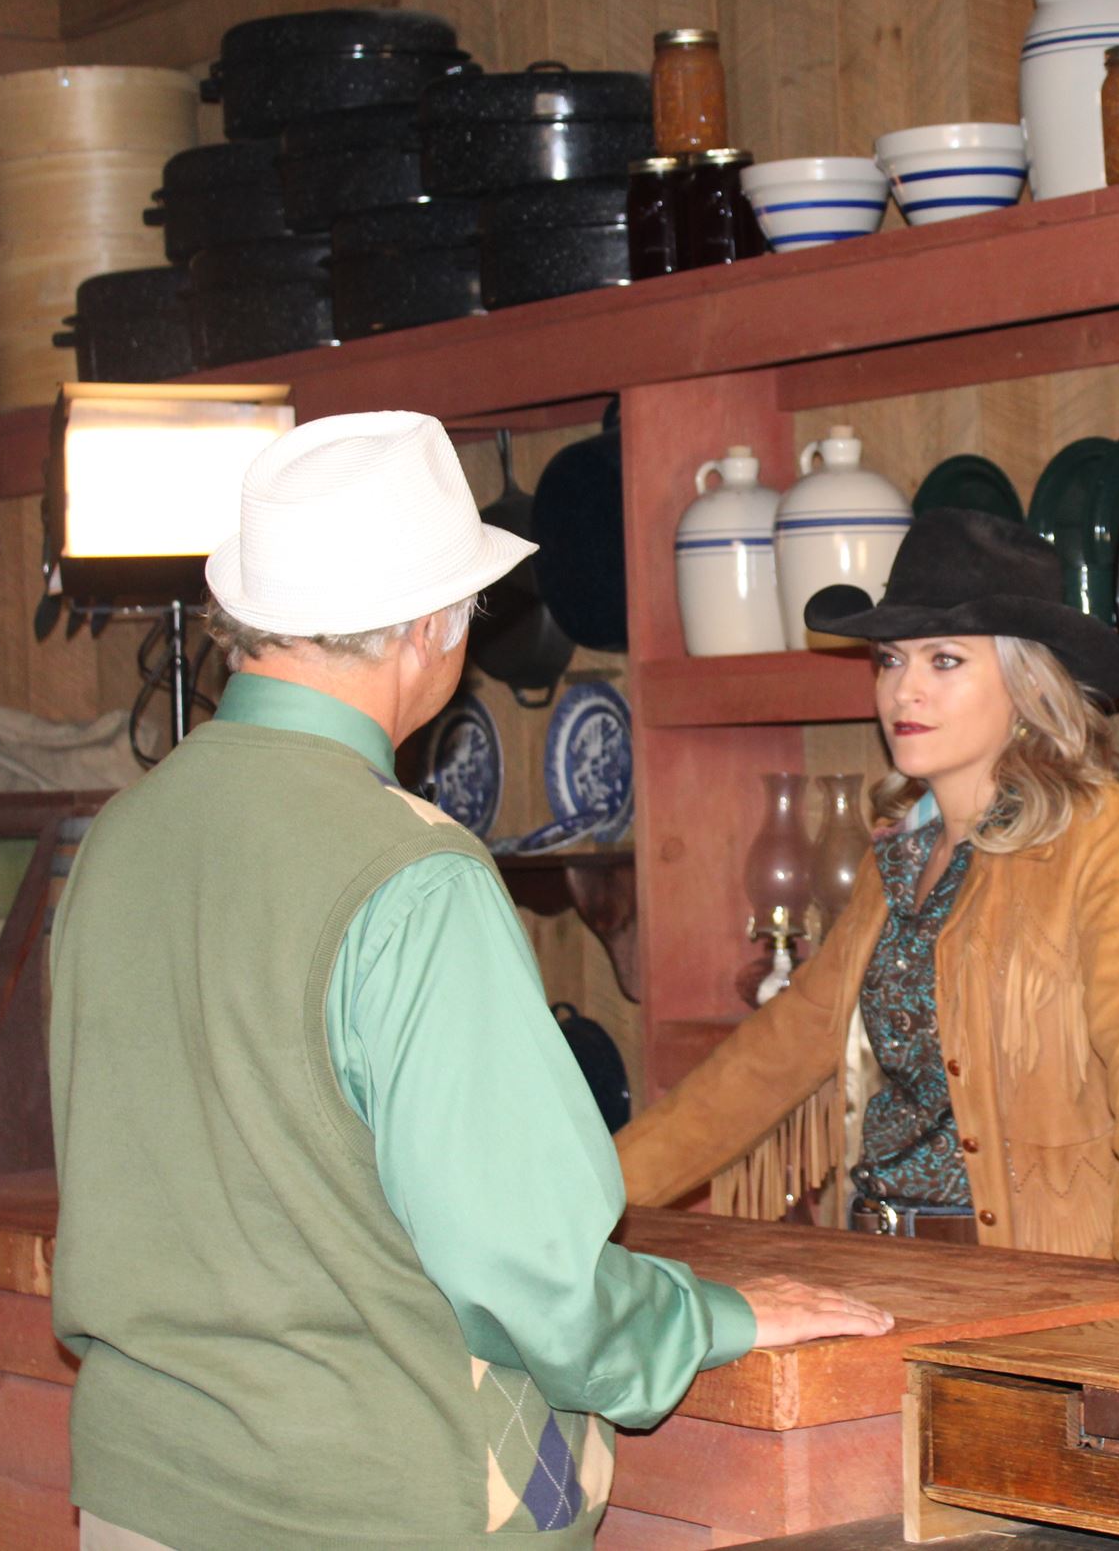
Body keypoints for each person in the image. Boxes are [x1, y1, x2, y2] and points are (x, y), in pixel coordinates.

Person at [48, 413, 888, 1551]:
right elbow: (525, 1270)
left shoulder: (119, 836)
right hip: (369, 1508)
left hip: (141, 1493)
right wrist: (708, 1318)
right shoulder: (411, 869)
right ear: (429, 628)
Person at [617, 509, 1119, 1289]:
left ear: (1027, 684)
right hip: (881, 1262)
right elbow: (777, 1053)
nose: (904, 689)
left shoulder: (1098, 831)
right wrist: (587, 1193)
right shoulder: (899, 851)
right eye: (890, 660)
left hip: (1031, 1277)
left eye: (946, 660)